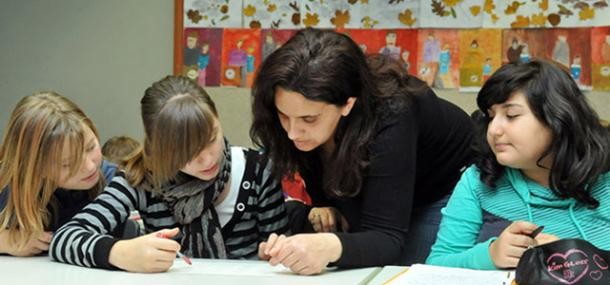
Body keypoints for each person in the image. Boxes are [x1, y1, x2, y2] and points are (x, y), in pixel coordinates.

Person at [250, 28, 475, 274]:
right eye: (284, 115)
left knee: (401, 269)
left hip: (439, 186)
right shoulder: (292, 116)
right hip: (372, 167)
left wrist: (328, 247)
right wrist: (324, 210)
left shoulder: (393, 112)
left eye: (309, 119)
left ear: (348, 104)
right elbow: (321, 168)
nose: (292, 132)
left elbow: (387, 239)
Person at [50, 76, 289, 272]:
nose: (207, 158)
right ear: (157, 148)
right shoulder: (140, 179)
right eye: (186, 152)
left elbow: (284, 251)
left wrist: (275, 251)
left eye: (211, 138)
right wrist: (118, 252)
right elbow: (65, 238)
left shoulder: (258, 171)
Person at [426, 59, 610, 270]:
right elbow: (436, 265)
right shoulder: (478, 180)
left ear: (558, 119)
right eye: (491, 116)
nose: (494, 130)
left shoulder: (605, 181)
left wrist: (576, 259)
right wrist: (490, 255)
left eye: (511, 115)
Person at [0, 92, 117, 256]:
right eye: (68, 164)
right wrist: (6, 241)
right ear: (36, 168)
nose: (90, 166)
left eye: (91, 147)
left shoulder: (113, 179)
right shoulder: (8, 187)